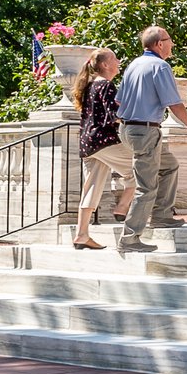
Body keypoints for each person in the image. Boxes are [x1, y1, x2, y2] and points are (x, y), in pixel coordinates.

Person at [115, 25, 187, 253]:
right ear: (159, 44)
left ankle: (162, 215)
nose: (172, 43)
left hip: (129, 129)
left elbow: (119, 101)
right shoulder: (160, 66)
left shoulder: (133, 65)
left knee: (170, 165)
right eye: (169, 39)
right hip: (145, 131)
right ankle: (130, 237)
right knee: (146, 188)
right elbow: (174, 104)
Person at [69, 48, 136, 249]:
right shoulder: (106, 85)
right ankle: (122, 207)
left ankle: (81, 234)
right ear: (105, 65)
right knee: (141, 168)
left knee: (91, 187)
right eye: (115, 58)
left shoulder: (90, 85)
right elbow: (115, 114)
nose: (118, 61)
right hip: (104, 141)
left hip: (89, 144)